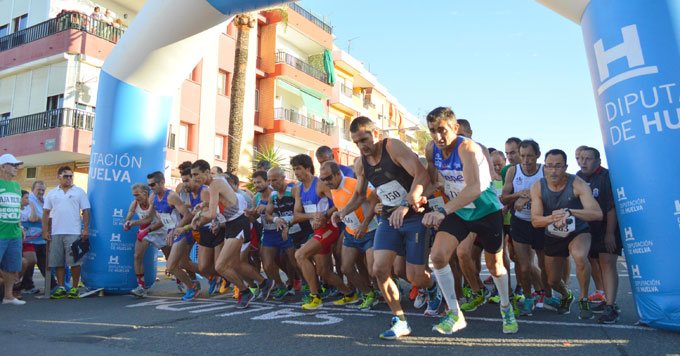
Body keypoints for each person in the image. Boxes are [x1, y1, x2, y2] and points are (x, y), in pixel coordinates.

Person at [336, 116, 440, 340]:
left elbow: (421, 174)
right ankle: (401, 321)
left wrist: (406, 203)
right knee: (379, 269)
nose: (361, 145)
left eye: (364, 139)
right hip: (388, 218)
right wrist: (343, 211)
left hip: (414, 215)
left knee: (414, 276)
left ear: (375, 133)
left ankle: (431, 286)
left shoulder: (392, 147)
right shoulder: (362, 162)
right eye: (356, 142)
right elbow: (359, 194)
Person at [421, 107, 517, 335]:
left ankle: (506, 307)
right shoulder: (431, 149)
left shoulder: (468, 148)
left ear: (455, 128)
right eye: (432, 131)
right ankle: (454, 313)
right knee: (438, 256)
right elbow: (432, 181)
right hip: (460, 212)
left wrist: (443, 211)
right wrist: (418, 197)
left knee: (495, 265)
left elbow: (474, 187)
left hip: (486, 211)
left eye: (442, 130)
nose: (437, 137)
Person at [190, 160, 274, 309]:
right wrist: (203, 205)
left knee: (221, 266)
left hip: (238, 224)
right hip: (231, 225)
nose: (194, 178)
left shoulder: (215, 184)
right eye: (192, 175)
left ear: (207, 172)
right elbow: (218, 206)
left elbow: (210, 214)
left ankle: (245, 292)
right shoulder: (213, 185)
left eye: (197, 174)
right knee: (236, 265)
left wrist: (196, 219)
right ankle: (264, 283)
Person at [530, 149, 602, 319]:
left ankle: (584, 298)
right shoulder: (538, 187)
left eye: (558, 166)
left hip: (578, 231)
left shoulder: (577, 183)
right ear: (544, 168)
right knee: (552, 280)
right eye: (549, 166)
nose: (553, 171)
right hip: (553, 234)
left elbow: (597, 213)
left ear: (566, 167)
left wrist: (570, 212)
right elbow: (536, 221)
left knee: (579, 255)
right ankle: (566, 294)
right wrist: (552, 217)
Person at [290, 154, 356, 310]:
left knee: (300, 255)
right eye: (293, 169)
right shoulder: (298, 189)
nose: (296, 172)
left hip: (329, 228)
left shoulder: (320, 184)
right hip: (317, 230)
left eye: (298, 168)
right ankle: (349, 294)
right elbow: (296, 215)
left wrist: (325, 215)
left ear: (308, 168)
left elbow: (339, 203)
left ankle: (315, 297)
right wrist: (314, 215)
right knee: (324, 272)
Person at [501, 140, 549, 315]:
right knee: (523, 266)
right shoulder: (513, 171)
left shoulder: (545, 170)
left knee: (545, 265)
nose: (526, 160)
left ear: (538, 155)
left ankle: (545, 294)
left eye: (530, 156)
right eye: (523, 156)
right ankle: (528, 297)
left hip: (541, 221)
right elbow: (504, 198)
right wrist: (518, 194)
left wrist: (530, 198)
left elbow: (553, 195)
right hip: (520, 222)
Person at [324, 161, 380, 309]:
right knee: (346, 268)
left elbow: (374, 201)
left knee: (373, 270)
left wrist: (364, 224)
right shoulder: (332, 187)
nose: (326, 182)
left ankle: (390, 286)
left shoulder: (353, 184)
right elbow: (342, 203)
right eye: (322, 179)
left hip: (369, 231)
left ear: (337, 174)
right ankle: (368, 294)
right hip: (351, 232)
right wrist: (337, 212)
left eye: (328, 178)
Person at [134, 171, 197, 300]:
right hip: (170, 233)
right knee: (183, 263)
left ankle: (193, 286)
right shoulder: (153, 198)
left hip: (181, 232)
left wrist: (177, 229)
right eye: (149, 185)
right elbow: (149, 218)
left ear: (162, 182)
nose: (150, 188)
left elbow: (188, 215)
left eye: (153, 185)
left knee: (172, 266)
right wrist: (136, 224)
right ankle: (210, 274)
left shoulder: (171, 196)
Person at [576, 147, 622, 323]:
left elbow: (611, 207)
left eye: (588, 159)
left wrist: (610, 233)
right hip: (587, 230)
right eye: (581, 158)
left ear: (598, 161)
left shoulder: (606, 177)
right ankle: (605, 300)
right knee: (594, 264)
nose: (583, 162)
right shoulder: (577, 177)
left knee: (607, 264)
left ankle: (611, 307)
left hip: (606, 228)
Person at [42, 166, 90, 299]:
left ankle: (74, 287)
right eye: (65, 176)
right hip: (56, 231)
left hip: (73, 231)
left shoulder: (79, 192)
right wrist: (45, 230)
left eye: (70, 176)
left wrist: (85, 228)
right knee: (58, 261)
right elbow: (46, 212)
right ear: (59, 177)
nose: (69, 179)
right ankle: (61, 287)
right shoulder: (52, 193)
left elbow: (86, 210)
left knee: (74, 261)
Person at [123, 183, 171, 297]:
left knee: (171, 259)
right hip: (146, 231)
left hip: (160, 230)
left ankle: (180, 281)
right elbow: (128, 216)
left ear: (145, 194)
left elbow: (161, 222)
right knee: (137, 256)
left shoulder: (153, 203)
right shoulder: (134, 204)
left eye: (137, 195)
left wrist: (141, 227)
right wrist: (127, 223)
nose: (136, 198)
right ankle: (141, 286)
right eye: (134, 195)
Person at [256, 169, 297, 300]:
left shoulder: (293, 190)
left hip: (292, 229)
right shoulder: (273, 194)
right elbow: (267, 215)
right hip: (272, 231)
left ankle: (306, 285)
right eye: (270, 180)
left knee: (294, 261)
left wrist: (288, 223)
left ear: (283, 177)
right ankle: (281, 286)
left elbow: (300, 211)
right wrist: (276, 219)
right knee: (267, 264)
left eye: (275, 180)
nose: (272, 183)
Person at [17, 181, 53, 293]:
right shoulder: (29, 202)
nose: (41, 192)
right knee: (29, 262)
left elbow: (40, 217)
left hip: (39, 238)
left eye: (43, 190)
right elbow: (33, 219)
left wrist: (43, 221)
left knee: (34, 261)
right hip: (27, 238)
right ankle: (20, 285)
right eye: (39, 190)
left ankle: (25, 284)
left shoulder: (43, 201)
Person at [0, 154, 26, 305]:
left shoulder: (17, 187)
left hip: (14, 233)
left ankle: (8, 296)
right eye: (13, 164)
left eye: (17, 165)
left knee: (12, 267)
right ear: (3, 166)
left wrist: (20, 226)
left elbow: (17, 210)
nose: (16, 168)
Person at [17, 190, 38, 295]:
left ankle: (20, 282)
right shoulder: (14, 209)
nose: (28, 200)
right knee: (17, 262)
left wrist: (33, 207)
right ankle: (14, 285)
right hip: (16, 239)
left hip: (28, 240)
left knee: (31, 260)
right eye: (26, 198)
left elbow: (33, 219)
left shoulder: (28, 208)